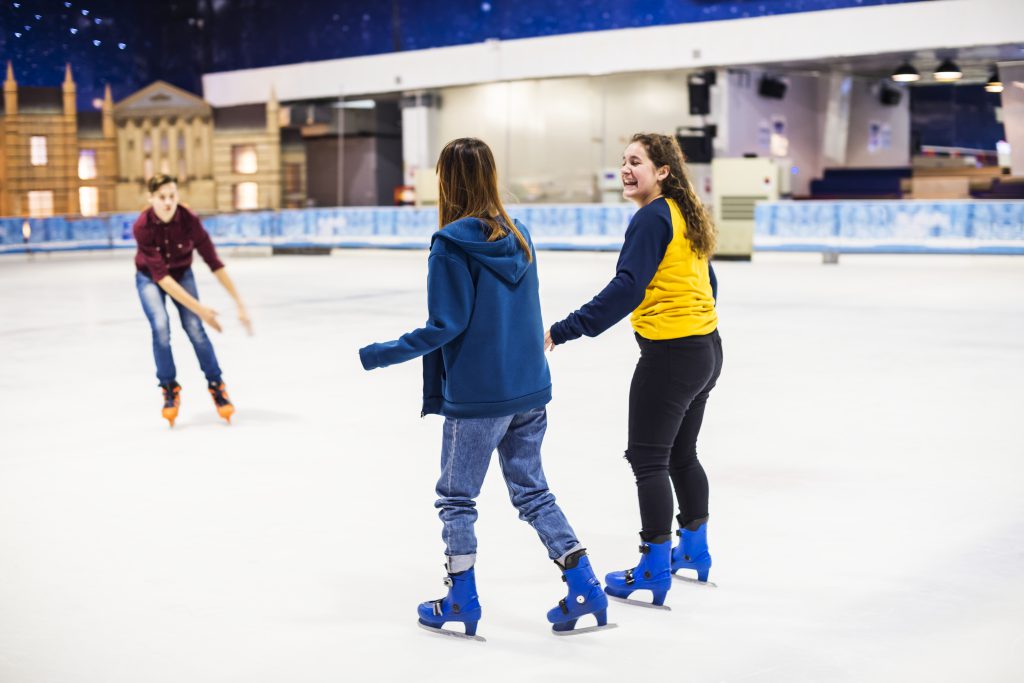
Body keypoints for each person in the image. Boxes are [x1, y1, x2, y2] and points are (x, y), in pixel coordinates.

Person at [359, 138, 613, 639]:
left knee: (457, 498)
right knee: (533, 491)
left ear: (447, 182)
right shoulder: (520, 235)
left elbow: (444, 326)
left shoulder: (450, 244)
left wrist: (379, 353)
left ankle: (461, 598)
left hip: (479, 397)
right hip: (530, 389)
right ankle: (584, 583)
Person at [545, 133, 723, 608]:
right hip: (706, 349)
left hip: (671, 355)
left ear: (663, 171)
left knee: (648, 460)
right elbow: (709, 281)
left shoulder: (651, 217)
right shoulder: (684, 213)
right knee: (682, 454)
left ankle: (652, 567)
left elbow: (627, 289)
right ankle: (694, 552)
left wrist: (564, 330)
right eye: (623, 161)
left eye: (636, 162)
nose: (626, 169)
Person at [133, 174, 251, 427]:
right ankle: (169, 387)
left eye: (172, 196)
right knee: (161, 326)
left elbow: (214, 262)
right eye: (162, 197)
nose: (167, 202)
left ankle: (216, 385)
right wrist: (201, 310)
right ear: (151, 198)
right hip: (150, 278)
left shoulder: (189, 220)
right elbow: (162, 278)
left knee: (195, 328)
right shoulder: (142, 226)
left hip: (182, 272)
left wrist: (240, 303)